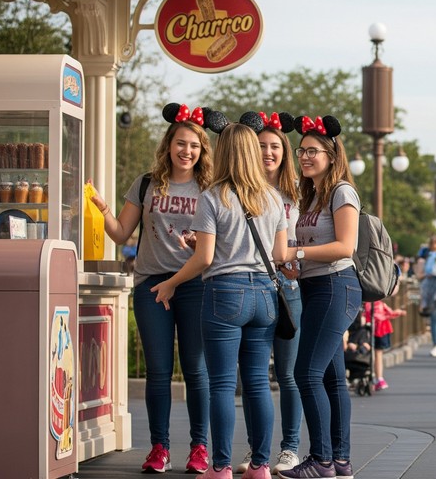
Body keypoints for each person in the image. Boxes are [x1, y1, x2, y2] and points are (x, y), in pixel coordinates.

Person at [151, 122, 289, 479]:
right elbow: (279, 255)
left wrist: (171, 283)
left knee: (223, 385)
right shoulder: (273, 198)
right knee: (258, 383)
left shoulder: (213, 197)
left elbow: (205, 258)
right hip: (264, 294)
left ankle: (222, 466)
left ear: (224, 152)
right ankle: (260, 465)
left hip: (225, 293)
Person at [90, 103, 220, 474]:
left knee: (195, 370)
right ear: (168, 145)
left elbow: (219, 243)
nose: (186, 151)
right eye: (181, 143)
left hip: (195, 284)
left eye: (194, 145)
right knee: (158, 371)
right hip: (151, 285)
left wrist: (197, 244)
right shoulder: (146, 183)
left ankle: (199, 447)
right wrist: (103, 209)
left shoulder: (210, 188)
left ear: (202, 150)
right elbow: (121, 234)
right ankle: (159, 447)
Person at [278, 114, 363, 479]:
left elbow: (346, 246)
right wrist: (296, 265)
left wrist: (296, 253)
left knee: (305, 372)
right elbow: (312, 247)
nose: (305, 157)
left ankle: (321, 459)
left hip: (336, 285)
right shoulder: (311, 196)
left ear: (331, 155)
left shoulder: (342, 192)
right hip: (315, 286)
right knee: (331, 377)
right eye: (302, 151)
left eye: (313, 151)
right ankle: (340, 460)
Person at [234, 112, 303, 474]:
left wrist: (300, 261)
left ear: (284, 152)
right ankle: (256, 448)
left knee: (289, 374)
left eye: (275, 146)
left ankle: (290, 448)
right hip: (252, 286)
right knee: (254, 376)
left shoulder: (299, 191)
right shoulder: (241, 190)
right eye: (261, 146)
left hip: (289, 288)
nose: (268, 152)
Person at [368, 299, 406, 389]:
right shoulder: (380, 304)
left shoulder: (367, 305)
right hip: (381, 330)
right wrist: (399, 312)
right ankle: (379, 378)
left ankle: (375, 377)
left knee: (372, 354)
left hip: (369, 331)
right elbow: (390, 313)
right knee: (378, 354)